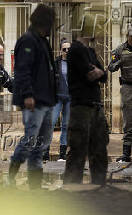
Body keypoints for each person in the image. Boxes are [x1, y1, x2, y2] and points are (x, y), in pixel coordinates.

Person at [8, 4, 57, 189]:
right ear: (44, 22)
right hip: (34, 102)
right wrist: (27, 95)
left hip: (47, 101)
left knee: (41, 145)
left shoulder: (42, 41)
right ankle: (11, 176)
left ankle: (35, 186)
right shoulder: (28, 40)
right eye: (51, 21)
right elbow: (22, 70)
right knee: (30, 141)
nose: (53, 25)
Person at [63, 14, 109, 185]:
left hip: (96, 107)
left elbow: (103, 75)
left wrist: (98, 72)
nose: (99, 31)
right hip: (81, 107)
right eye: (96, 27)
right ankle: (71, 190)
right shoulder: (76, 49)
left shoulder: (90, 51)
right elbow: (90, 75)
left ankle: (99, 187)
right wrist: (96, 72)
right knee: (78, 150)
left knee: (99, 150)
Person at [43, 39, 71, 162]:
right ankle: (45, 152)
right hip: (57, 97)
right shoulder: (55, 63)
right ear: (61, 50)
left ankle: (62, 154)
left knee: (66, 125)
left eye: (69, 49)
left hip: (70, 98)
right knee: (51, 123)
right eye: (64, 49)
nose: (67, 51)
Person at [108, 26, 132, 163]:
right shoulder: (119, 50)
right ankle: (125, 154)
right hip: (128, 87)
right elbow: (111, 67)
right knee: (129, 121)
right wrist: (118, 62)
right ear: (128, 36)